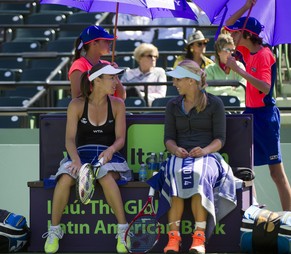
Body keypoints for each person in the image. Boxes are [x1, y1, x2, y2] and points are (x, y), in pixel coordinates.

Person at [147, 60, 237, 254]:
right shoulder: (172, 105)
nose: (174, 83)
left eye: (178, 79)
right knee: (175, 174)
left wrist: (205, 150)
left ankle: (199, 238)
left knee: (197, 173)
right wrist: (175, 149)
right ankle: (174, 238)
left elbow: (220, 139)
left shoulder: (215, 103)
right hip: (180, 155)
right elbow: (168, 139)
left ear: (190, 80)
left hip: (209, 157)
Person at [42, 63, 132, 254]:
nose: (116, 82)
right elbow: (69, 140)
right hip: (80, 155)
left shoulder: (118, 104)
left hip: (109, 156)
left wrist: (111, 150)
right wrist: (75, 161)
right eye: (112, 78)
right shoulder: (76, 105)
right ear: (97, 80)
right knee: (65, 178)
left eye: (116, 78)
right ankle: (54, 230)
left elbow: (120, 139)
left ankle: (123, 230)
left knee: (104, 175)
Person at [225, 0, 291, 211]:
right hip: (250, 114)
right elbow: (227, 25)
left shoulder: (264, 54)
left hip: (266, 116)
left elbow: (264, 86)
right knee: (245, 168)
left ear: (246, 35)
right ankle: (253, 211)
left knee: (276, 174)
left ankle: (289, 218)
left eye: (236, 34)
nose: (232, 37)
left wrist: (239, 71)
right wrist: (245, 7)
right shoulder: (246, 52)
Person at [68, 25, 126, 100]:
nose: (110, 43)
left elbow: (121, 97)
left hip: (107, 110)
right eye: (106, 41)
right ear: (94, 43)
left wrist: (115, 75)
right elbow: (77, 98)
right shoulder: (79, 65)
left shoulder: (107, 64)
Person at [205, 33, 247, 106]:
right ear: (219, 52)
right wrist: (229, 89)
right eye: (227, 50)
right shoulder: (209, 69)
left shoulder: (239, 66)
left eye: (232, 50)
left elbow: (243, 92)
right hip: (215, 109)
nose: (231, 54)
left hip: (238, 108)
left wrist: (219, 91)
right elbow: (207, 92)